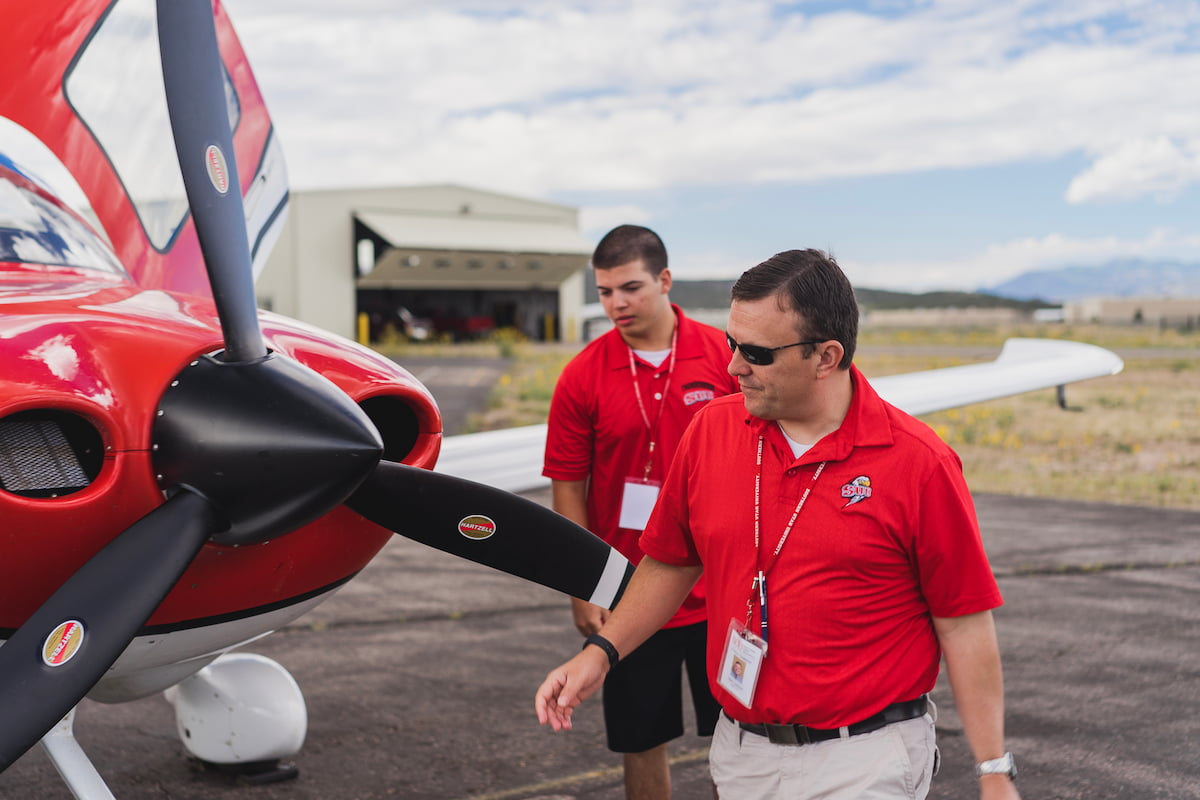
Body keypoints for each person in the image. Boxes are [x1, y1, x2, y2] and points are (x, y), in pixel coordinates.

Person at [536, 249, 1022, 800]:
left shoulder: (919, 464)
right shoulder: (710, 431)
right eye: (731, 343)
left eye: (758, 353)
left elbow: (962, 622)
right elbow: (671, 562)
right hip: (743, 750)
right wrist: (600, 655)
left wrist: (993, 772)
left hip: (865, 757)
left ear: (826, 356)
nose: (734, 366)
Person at [542, 224, 738, 799]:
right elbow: (568, 486)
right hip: (626, 593)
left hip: (719, 588)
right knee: (639, 741)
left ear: (665, 280)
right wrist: (580, 587)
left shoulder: (724, 357)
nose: (616, 304)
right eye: (604, 292)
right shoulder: (582, 375)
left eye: (629, 288)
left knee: (741, 738)